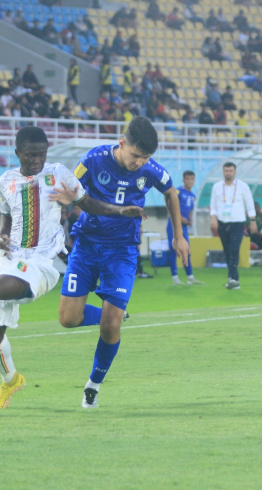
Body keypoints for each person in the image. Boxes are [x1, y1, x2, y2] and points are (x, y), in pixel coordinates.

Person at [0, 127, 145, 409]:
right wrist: (1, 238)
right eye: (30, 155)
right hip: (10, 259)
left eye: (41, 155)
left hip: (41, 263)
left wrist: (121, 211)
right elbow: (6, 221)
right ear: (17, 153)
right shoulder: (5, 181)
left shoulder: (58, 173)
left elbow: (87, 203)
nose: (37, 160)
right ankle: (11, 380)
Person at [57, 116, 190, 409]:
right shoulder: (93, 160)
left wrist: (179, 236)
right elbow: (70, 192)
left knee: (110, 325)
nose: (139, 163)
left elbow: (171, 193)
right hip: (86, 246)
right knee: (68, 319)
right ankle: (115, 313)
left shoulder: (150, 170)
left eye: (145, 158)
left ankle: (93, 385)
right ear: (122, 143)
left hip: (122, 251)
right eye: (136, 155)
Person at [209, 161, 257, 290]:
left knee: (234, 250)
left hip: (237, 223)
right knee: (227, 251)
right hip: (222, 223)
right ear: (223, 172)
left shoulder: (243, 186)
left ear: (235, 172)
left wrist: (253, 221)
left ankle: (233, 278)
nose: (228, 173)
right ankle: (234, 279)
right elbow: (213, 205)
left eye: (230, 171)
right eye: (226, 171)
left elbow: (250, 204)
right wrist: (213, 218)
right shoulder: (217, 186)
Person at [168, 170, 202, 285]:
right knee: (174, 249)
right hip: (173, 224)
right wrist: (180, 218)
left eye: (192, 179)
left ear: (194, 181)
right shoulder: (178, 191)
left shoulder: (192, 196)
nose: (189, 181)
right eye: (187, 179)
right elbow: (170, 204)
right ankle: (175, 278)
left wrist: (191, 220)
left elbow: (191, 210)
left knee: (186, 250)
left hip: (184, 226)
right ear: (183, 180)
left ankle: (190, 277)